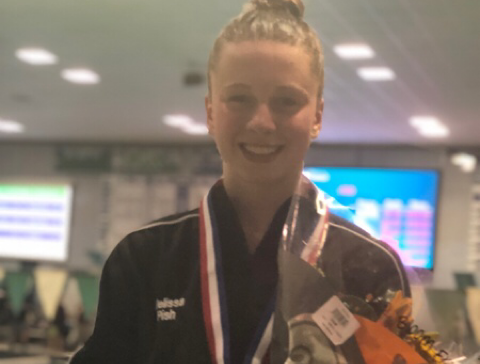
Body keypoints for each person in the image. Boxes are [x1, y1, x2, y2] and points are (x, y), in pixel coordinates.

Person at [69, 0, 410, 363]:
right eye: (240, 98)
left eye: (286, 101)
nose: (262, 121)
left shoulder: (372, 267)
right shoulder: (143, 258)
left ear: (317, 116)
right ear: (211, 112)